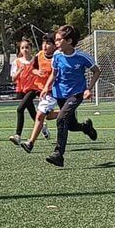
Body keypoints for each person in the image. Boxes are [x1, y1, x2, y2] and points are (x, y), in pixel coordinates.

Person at [41, 25, 101, 167]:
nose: (56, 42)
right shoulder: (57, 56)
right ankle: (86, 127)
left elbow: (96, 71)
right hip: (60, 94)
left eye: (58, 40)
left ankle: (58, 154)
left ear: (69, 41)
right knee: (71, 125)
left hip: (76, 94)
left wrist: (89, 89)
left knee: (61, 119)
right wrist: (46, 87)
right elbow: (54, 74)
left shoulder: (82, 57)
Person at [19, 33, 57, 153]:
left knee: (40, 115)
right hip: (42, 90)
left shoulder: (58, 56)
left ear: (55, 45)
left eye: (48, 43)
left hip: (53, 90)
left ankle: (30, 143)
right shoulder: (39, 55)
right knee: (47, 116)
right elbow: (33, 69)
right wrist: (37, 72)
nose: (45, 45)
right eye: (44, 43)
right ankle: (67, 113)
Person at [9, 39, 40, 145]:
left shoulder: (36, 61)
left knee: (20, 109)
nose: (25, 49)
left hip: (33, 89)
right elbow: (13, 78)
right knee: (32, 111)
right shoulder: (17, 62)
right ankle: (42, 126)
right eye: (22, 48)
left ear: (31, 48)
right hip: (22, 89)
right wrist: (20, 70)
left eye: (27, 47)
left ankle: (17, 135)